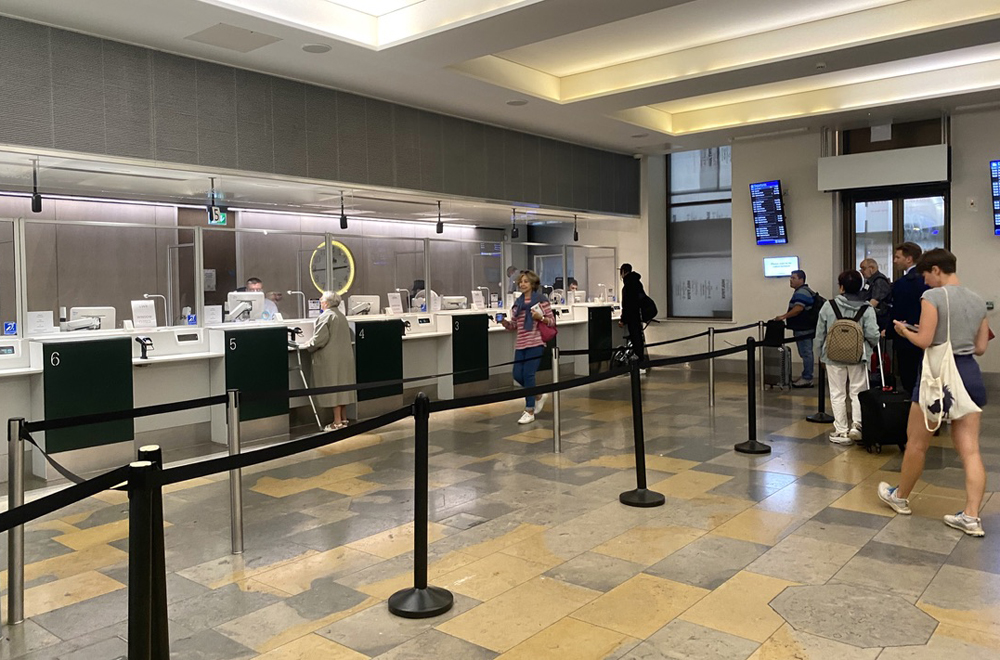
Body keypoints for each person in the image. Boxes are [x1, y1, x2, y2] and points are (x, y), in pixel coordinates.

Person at [878, 248, 990, 537]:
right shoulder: (978, 300)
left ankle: (900, 496)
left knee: (916, 443)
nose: (925, 282)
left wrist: (904, 331)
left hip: (938, 377)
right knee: (971, 450)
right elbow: (980, 347)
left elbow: (925, 340)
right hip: (969, 374)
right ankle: (971, 516)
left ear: (937, 270)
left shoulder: (932, 297)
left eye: (926, 275)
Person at [814, 270, 879, 445]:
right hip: (859, 356)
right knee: (858, 392)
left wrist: (819, 353)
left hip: (833, 355)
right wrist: (869, 347)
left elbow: (819, 333)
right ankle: (857, 425)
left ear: (841, 286)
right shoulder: (867, 308)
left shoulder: (829, 305)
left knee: (837, 393)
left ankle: (841, 431)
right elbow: (873, 334)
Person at [502, 270, 555, 425]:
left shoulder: (541, 300)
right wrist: (504, 322)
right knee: (517, 374)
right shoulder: (517, 303)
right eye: (521, 281)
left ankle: (529, 409)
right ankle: (537, 395)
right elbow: (514, 325)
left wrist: (541, 318)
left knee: (528, 375)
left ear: (532, 283)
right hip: (521, 344)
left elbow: (551, 321)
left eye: (525, 281)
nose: (522, 284)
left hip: (536, 342)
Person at [298, 291, 356, 431]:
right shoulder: (341, 316)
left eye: (322, 300)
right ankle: (343, 418)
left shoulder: (325, 316)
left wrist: (307, 345)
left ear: (326, 303)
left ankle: (336, 422)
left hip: (330, 359)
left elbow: (319, 339)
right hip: (344, 358)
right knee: (343, 386)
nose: (320, 301)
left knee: (333, 387)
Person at [889, 242, 929, 393]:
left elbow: (897, 310)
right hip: (928, 333)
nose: (895, 260)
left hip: (906, 335)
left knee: (909, 376)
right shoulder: (927, 281)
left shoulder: (903, 284)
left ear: (909, 259)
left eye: (897, 257)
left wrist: (890, 330)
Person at [773, 269, 816, 387]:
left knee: (806, 353)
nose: (790, 280)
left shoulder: (802, 292)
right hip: (804, 327)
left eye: (793, 278)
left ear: (801, 280)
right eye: (790, 278)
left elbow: (798, 309)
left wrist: (783, 316)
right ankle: (806, 376)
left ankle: (807, 378)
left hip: (804, 328)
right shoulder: (804, 291)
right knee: (805, 352)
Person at [618, 263, 646, 364]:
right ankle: (641, 360)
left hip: (631, 317)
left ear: (623, 272)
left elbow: (626, 305)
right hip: (638, 315)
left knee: (635, 338)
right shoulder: (637, 283)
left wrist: (622, 320)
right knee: (638, 338)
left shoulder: (627, 286)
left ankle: (637, 362)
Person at [860, 258, 892, 330]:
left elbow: (874, 302)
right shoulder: (870, 281)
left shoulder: (879, 281)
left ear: (871, 268)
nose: (862, 271)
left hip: (879, 318)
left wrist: (860, 315)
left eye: (863, 268)